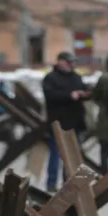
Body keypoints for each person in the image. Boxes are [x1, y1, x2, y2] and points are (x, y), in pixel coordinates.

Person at [41, 52, 89, 190]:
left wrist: (84, 94)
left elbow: (84, 90)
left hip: (75, 122)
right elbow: (50, 96)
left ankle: (69, 183)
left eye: (72, 62)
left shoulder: (76, 77)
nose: (70, 65)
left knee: (74, 155)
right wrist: (69, 95)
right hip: (58, 122)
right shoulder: (51, 78)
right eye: (67, 62)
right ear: (60, 62)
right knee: (55, 155)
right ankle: (51, 183)